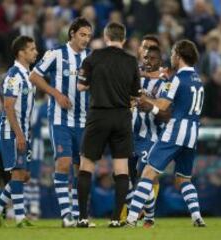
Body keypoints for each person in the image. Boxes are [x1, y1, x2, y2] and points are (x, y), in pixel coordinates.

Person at [126, 39, 206, 227]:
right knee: (183, 178)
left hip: (176, 130)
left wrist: (143, 99)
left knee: (147, 173)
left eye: (172, 53)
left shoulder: (177, 78)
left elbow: (163, 105)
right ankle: (197, 217)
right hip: (193, 132)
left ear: (178, 55)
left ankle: (130, 219)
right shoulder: (198, 79)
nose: (170, 57)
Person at [29, 17, 92, 227]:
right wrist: (56, 94)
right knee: (63, 163)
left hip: (84, 120)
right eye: (82, 34)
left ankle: (78, 214)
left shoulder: (91, 58)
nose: (86, 39)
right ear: (72, 33)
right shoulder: (56, 53)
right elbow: (34, 76)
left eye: (89, 36)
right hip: (60, 118)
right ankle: (66, 216)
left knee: (81, 168)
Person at [76, 22, 140, 228]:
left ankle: (83, 218)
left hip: (98, 116)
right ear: (123, 38)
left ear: (106, 37)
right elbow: (136, 95)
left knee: (86, 166)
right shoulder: (131, 61)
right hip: (122, 117)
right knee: (121, 169)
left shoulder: (93, 57)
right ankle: (115, 219)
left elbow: (80, 86)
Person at [0, 35, 38, 228]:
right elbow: (8, 107)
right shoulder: (14, 75)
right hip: (11, 132)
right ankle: (20, 218)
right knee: (17, 174)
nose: (36, 52)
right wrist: (19, 134)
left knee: (23, 176)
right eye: (32, 49)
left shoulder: (28, 75)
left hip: (23, 130)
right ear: (21, 53)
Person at [127, 45, 169, 228]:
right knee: (126, 177)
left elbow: (167, 114)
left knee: (143, 175)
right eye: (145, 58)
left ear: (160, 62)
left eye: (152, 59)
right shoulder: (134, 79)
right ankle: (149, 216)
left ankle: (134, 217)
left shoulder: (165, 84)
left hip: (150, 137)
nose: (147, 62)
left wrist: (151, 106)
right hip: (129, 135)